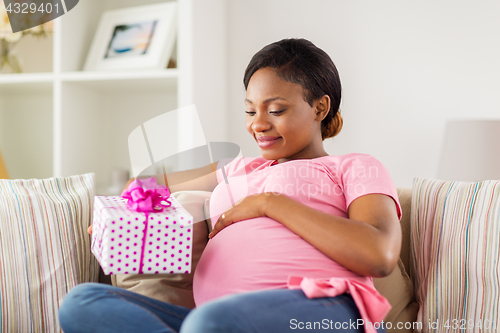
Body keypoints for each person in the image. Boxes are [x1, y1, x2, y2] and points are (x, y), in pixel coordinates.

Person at [59, 38, 402, 333]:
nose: (259, 125)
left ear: (320, 107)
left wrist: (270, 203)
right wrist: (123, 217)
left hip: (328, 309)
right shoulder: (235, 169)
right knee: (82, 302)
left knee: (208, 324)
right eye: (251, 112)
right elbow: (148, 181)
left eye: (277, 110)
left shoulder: (354, 166)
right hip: (216, 320)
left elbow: (379, 255)